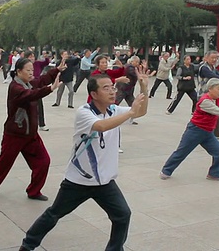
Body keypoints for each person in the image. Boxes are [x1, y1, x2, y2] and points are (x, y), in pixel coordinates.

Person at [18, 72, 149, 251]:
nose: (112, 91)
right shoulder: (84, 112)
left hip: (104, 182)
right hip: (78, 181)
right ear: (94, 94)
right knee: (54, 213)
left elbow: (141, 112)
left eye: (112, 87)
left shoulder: (113, 110)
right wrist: (131, 112)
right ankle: (28, 245)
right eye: (106, 88)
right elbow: (101, 126)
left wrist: (143, 88)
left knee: (122, 215)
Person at [0, 57, 64, 201]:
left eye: (32, 70)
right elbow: (31, 95)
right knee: (3, 164)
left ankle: (34, 191)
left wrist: (56, 70)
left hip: (31, 135)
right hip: (15, 135)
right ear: (18, 71)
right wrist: (50, 89)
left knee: (43, 162)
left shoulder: (29, 83)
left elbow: (42, 80)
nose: (31, 73)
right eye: (28, 70)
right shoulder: (15, 87)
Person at [160, 78, 219, 181]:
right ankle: (166, 171)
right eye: (218, 89)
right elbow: (217, 111)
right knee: (182, 152)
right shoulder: (205, 101)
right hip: (195, 131)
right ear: (210, 89)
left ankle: (213, 174)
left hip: (208, 133)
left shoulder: (218, 97)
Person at [28, 52, 52, 131]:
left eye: (33, 56)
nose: (32, 58)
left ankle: (42, 124)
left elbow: (46, 63)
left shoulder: (37, 63)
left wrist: (46, 57)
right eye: (30, 56)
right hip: (27, 87)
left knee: (40, 106)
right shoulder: (24, 65)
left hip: (37, 87)